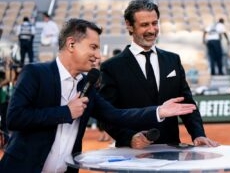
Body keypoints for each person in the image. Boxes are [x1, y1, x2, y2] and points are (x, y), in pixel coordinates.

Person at [0, 18, 196, 173]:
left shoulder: (87, 85)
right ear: (71, 44)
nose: (99, 55)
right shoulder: (35, 73)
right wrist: (65, 112)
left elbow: (117, 115)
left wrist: (159, 111)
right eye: (93, 47)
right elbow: (15, 118)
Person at [100, 0, 219, 149]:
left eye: (155, 23)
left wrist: (198, 134)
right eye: (144, 25)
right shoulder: (111, 67)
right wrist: (129, 138)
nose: (151, 30)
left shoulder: (172, 60)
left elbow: (186, 103)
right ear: (129, 25)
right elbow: (107, 115)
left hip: (170, 152)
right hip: (132, 155)